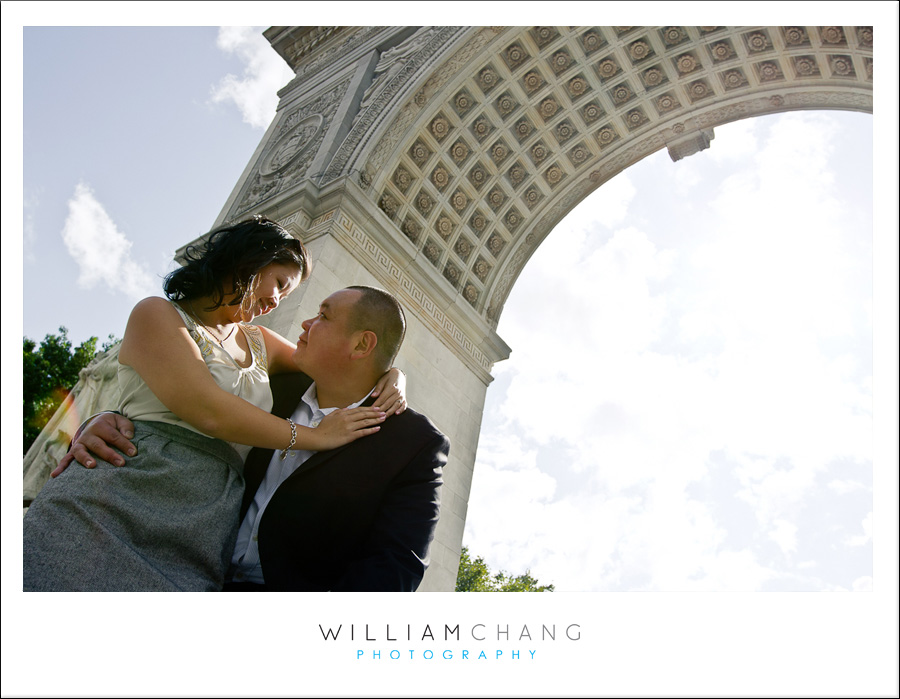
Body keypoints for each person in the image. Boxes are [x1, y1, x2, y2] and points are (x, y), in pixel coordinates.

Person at [23, 217, 403, 592]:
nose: (276, 301)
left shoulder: (262, 342)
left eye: (286, 296)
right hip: (115, 497)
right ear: (251, 259)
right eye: (280, 284)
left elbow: (336, 365)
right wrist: (315, 437)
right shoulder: (157, 313)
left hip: (203, 530)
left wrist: (392, 376)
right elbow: (207, 409)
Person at [64, 285, 450, 591]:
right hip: (177, 572)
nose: (305, 323)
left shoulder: (414, 443)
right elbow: (186, 404)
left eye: (324, 316)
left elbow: (395, 564)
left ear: (362, 345)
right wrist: (108, 416)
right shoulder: (267, 390)